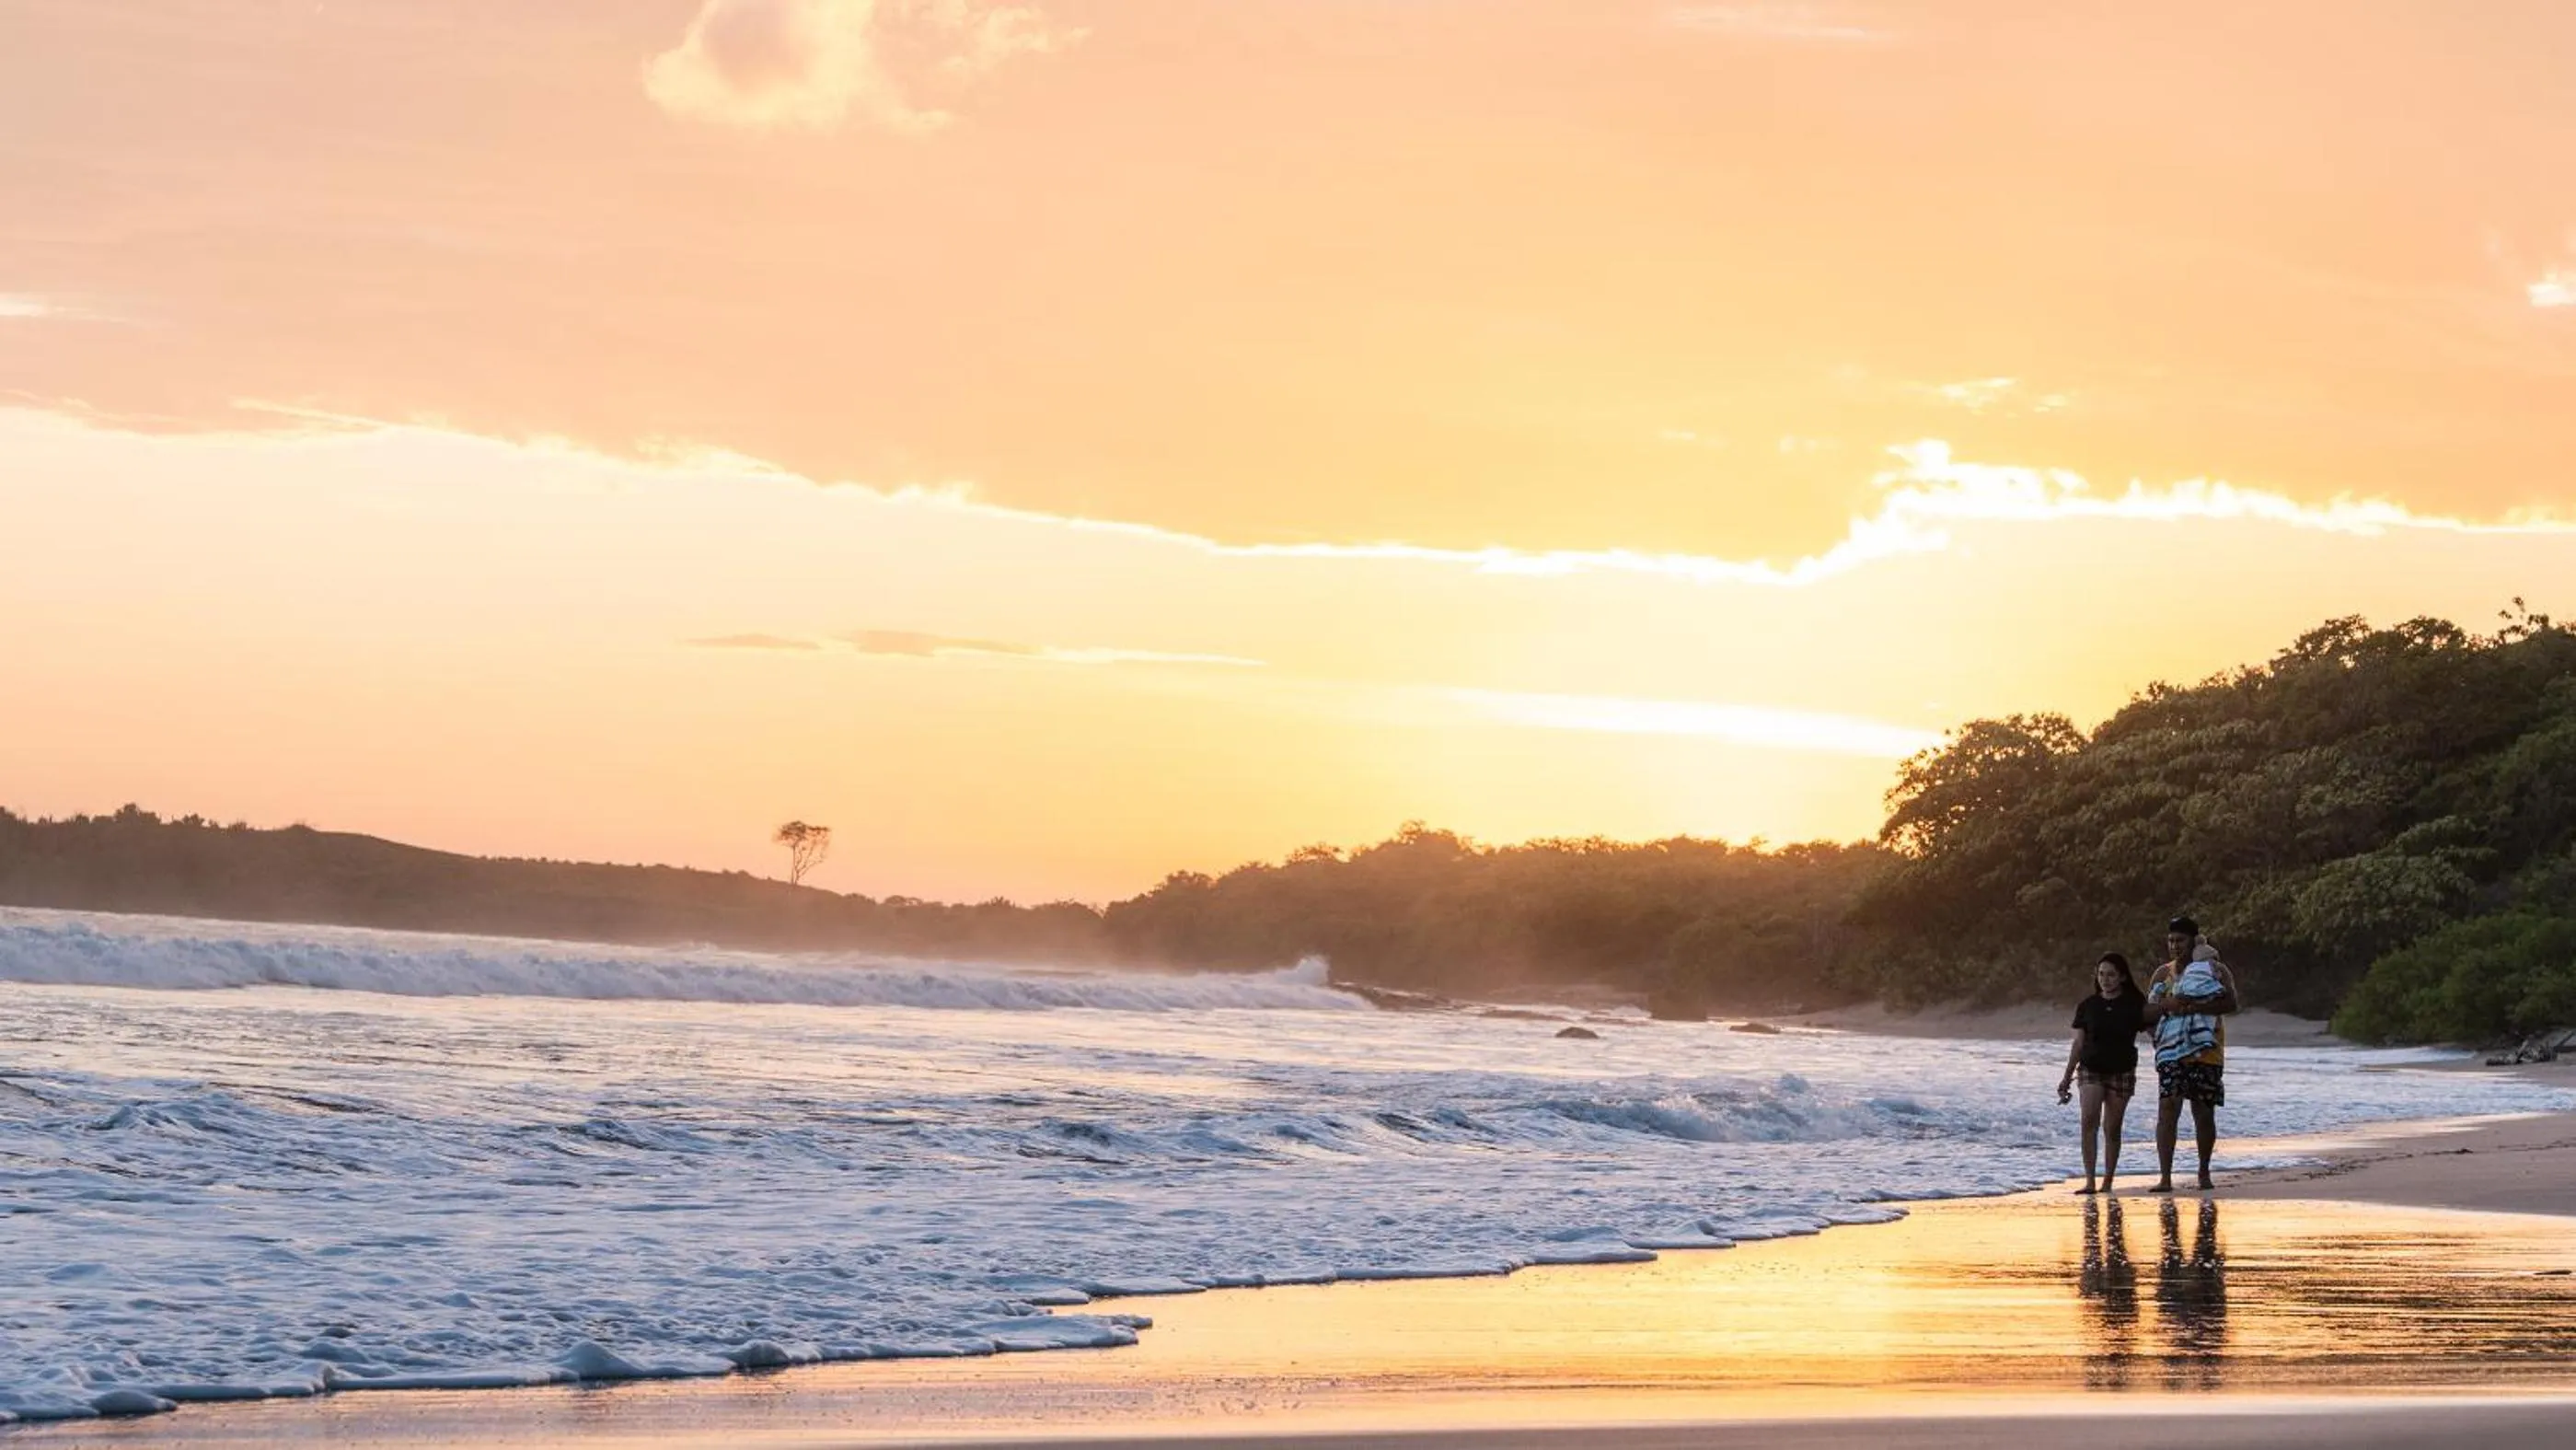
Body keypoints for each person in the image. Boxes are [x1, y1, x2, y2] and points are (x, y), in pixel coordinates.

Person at [2144, 915, 2238, 1193]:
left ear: (2193, 940)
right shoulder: (2162, 974)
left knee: (2203, 1112)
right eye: (2171, 940)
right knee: (2168, 1109)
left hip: (2206, 1049)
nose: (2175, 946)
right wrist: (2165, 1010)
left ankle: (2204, 1171)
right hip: (2171, 1051)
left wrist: (2190, 1008)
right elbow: (2149, 1010)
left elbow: (2231, 1002)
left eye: (2180, 940)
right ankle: (2165, 1177)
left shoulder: (2215, 969)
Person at [2057, 952, 2147, 1194]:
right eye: (2101, 974)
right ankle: (2089, 1180)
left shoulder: (2134, 1005)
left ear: (2122, 977)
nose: (2105, 979)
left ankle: (2108, 1180)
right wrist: (2066, 1077)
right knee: (2088, 1120)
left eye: (2111, 974)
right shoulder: (2088, 1006)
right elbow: (2078, 1044)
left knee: (2113, 1127)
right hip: (2090, 1069)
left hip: (2122, 1070)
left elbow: (2155, 1032)